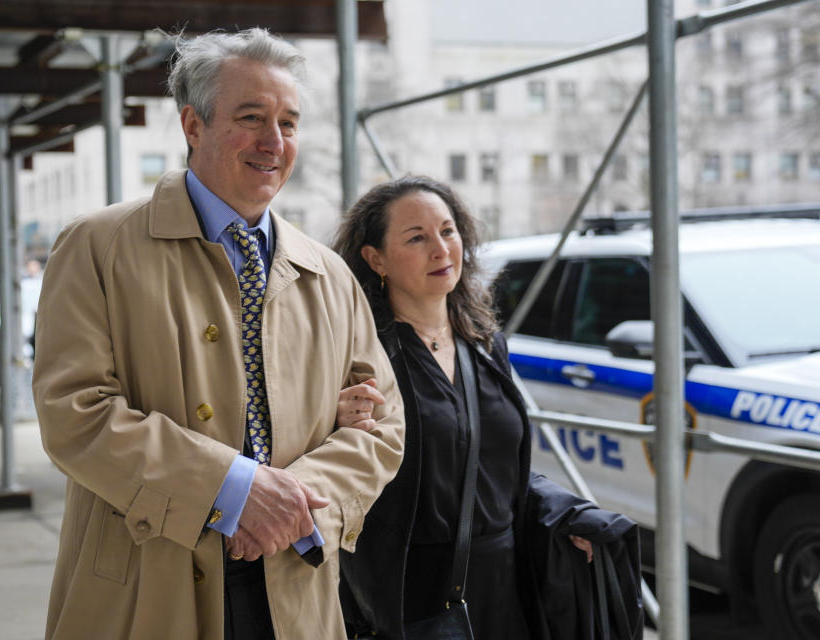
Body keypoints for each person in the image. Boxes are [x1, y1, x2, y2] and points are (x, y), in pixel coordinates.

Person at [32, 28, 404, 640]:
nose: (273, 142)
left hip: (293, 583)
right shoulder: (98, 246)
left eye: (288, 122)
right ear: (192, 125)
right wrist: (232, 489)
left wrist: (291, 501)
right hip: (145, 586)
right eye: (251, 117)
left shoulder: (329, 273)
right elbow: (73, 414)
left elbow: (385, 426)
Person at [333, 176, 597, 639]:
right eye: (417, 238)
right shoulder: (359, 356)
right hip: (409, 593)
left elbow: (492, 464)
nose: (441, 249)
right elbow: (328, 477)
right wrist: (336, 428)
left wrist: (566, 514)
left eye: (448, 231)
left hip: (505, 586)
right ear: (375, 259)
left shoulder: (485, 343)